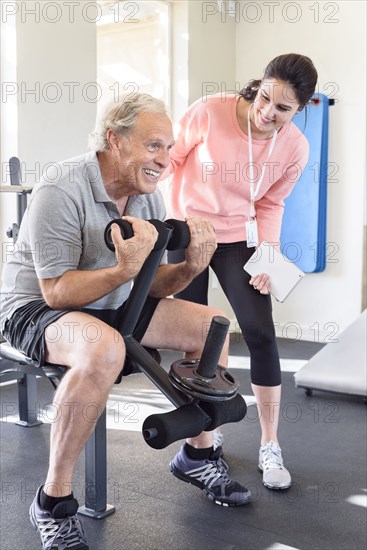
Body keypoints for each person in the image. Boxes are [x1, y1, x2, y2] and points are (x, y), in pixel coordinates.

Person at [0, 94, 252, 550]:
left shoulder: (146, 198)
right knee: (105, 348)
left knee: (210, 322)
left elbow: (151, 286)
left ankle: (198, 452)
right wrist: (121, 271)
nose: (165, 159)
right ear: (114, 140)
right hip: (34, 307)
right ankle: (51, 501)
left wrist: (192, 267)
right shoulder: (63, 187)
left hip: (112, 302)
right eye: (154, 145)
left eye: (169, 147)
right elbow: (56, 291)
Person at [165, 53, 318, 490]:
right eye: (265, 97)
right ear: (260, 83)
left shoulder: (295, 148)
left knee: (260, 333)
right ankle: (202, 443)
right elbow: (170, 162)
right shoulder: (210, 111)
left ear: (301, 109)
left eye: (283, 108)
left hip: (238, 239)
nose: (268, 113)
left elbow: (271, 203)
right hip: (187, 231)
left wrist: (268, 254)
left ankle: (270, 443)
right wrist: (158, 223)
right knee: (192, 338)